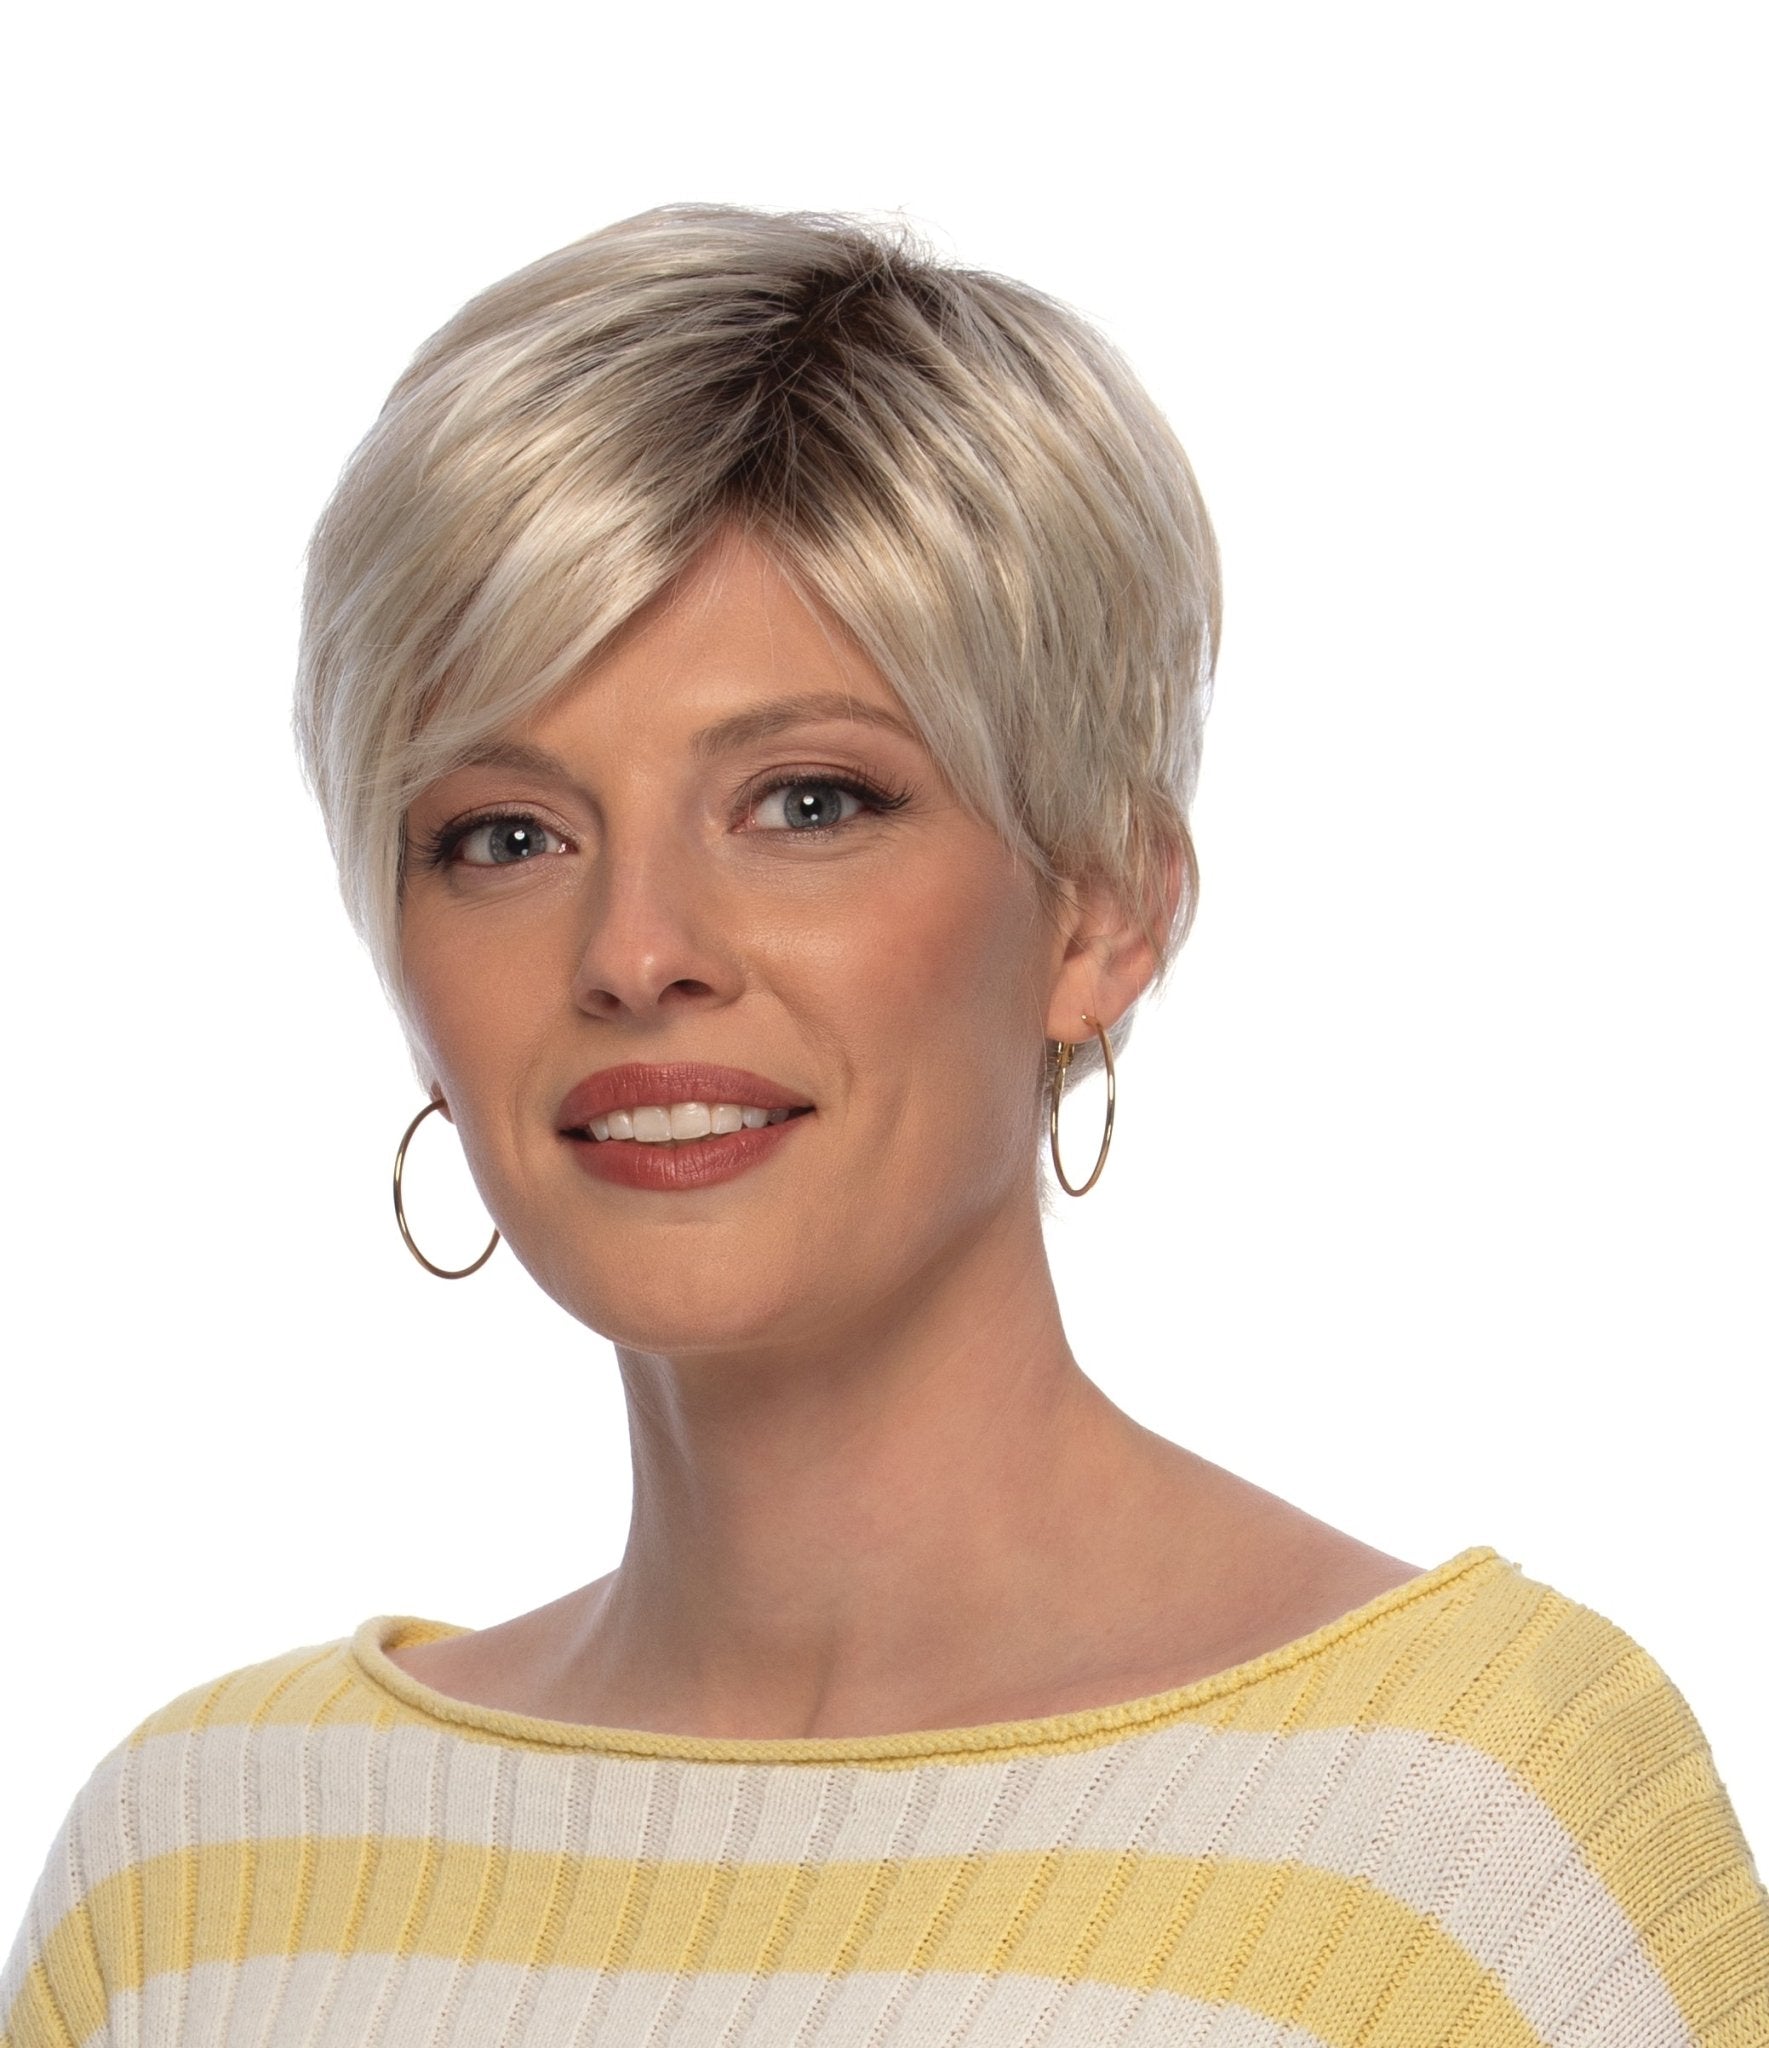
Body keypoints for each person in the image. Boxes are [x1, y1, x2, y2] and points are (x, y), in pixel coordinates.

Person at [3, 203, 1763, 2048]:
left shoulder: (1465, 1826)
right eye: (502, 836)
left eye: (807, 801)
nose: (636, 952)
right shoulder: (199, 1875)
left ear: (1098, 912)